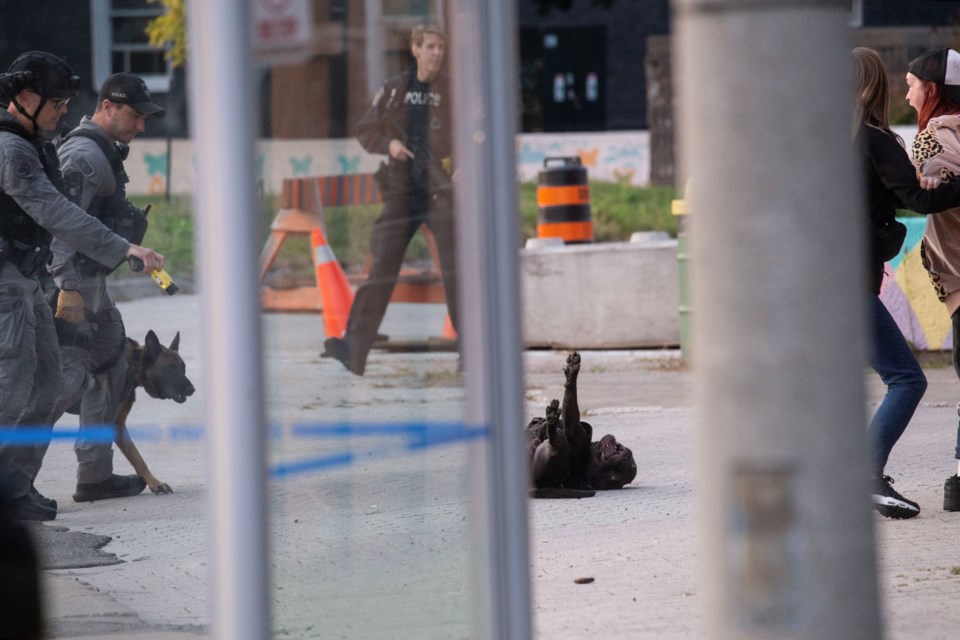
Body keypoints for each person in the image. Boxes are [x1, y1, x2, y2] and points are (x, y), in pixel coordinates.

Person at [0, 52, 164, 521]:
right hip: (23, 283)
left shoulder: (35, 142)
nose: (63, 112)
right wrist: (113, 254)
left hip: (29, 280)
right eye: (55, 102)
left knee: (50, 379)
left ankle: (20, 487)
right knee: (17, 387)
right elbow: (58, 215)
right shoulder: (16, 149)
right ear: (25, 97)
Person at [43, 73, 165, 504]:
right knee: (62, 386)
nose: (141, 126)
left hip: (93, 286)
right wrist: (69, 288)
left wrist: (126, 248)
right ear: (108, 107)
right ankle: (11, 484)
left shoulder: (103, 152)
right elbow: (59, 223)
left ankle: (94, 478)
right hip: (72, 288)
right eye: (135, 115)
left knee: (112, 370)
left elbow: (92, 223)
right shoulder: (83, 156)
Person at [853, 47, 960, 518]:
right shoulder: (876, 139)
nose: (908, 89)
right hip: (847, 283)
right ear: (879, 86)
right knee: (906, 379)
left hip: (814, 280)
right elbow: (919, 198)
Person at [323, 24, 458, 376]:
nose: (436, 54)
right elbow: (367, 130)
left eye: (440, 48)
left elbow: (473, 135)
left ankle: (474, 354)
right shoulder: (396, 90)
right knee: (381, 269)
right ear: (415, 49)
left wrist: (463, 170)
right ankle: (354, 350)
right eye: (430, 46)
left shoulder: (451, 89)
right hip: (402, 190)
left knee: (459, 274)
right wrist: (390, 146)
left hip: (441, 190)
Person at [902, 47, 960, 512]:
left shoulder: (932, 139)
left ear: (932, 90)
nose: (906, 96)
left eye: (910, 85)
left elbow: (924, 196)